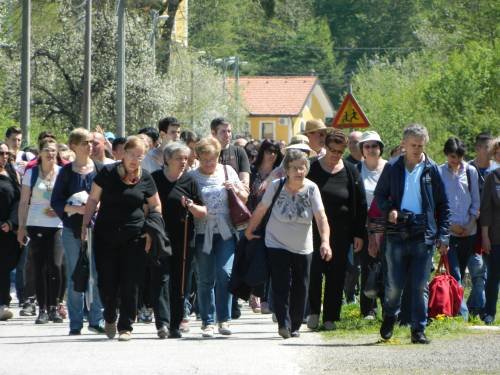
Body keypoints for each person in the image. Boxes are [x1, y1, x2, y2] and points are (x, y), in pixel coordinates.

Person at [82, 136, 162, 342]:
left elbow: (155, 205)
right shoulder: (107, 173)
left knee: (131, 282)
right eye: (132, 154)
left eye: (139, 156)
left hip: (134, 236)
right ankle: (109, 314)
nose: (135, 160)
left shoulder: (146, 178)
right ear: (123, 153)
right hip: (105, 236)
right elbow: (92, 199)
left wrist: (151, 228)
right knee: (107, 281)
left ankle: (126, 325)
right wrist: (84, 225)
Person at [375, 123, 450, 344]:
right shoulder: (392, 167)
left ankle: (418, 330)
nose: (417, 149)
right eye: (413, 145)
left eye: (421, 145)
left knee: (419, 285)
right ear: (404, 145)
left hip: (423, 234)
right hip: (396, 233)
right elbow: (380, 195)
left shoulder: (432, 169)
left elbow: (443, 205)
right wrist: (390, 210)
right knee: (395, 285)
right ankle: (390, 314)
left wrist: (443, 236)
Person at [245, 149, 332, 338]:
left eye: (302, 168)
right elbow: (261, 208)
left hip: (303, 245)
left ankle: (295, 325)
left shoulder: (311, 188)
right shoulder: (276, 186)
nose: (299, 172)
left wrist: (325, 241)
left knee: (301, 285)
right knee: (281, 283)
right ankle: (283, 323)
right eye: (295, 168)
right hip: (276, 242)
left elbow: (321, 217)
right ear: (286, 170)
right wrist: (249, 230)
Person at [306, 130, 367, 330]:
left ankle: (331, 317)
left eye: (340, 152)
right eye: (332, 150)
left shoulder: (351, 171)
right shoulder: (313, 168)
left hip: (342, 232)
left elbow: (360, 203)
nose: (335, 155)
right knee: (314, 272)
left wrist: (359, 233)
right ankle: (313, 311)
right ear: (326, 147)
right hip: (313, 231)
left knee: (337, 274)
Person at [190, 137, 248, 337]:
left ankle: (224, 319)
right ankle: (207, 321)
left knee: (225, 274)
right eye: (205, 159)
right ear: (198, 157)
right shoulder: (191, 176)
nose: (209, 163)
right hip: (201, 233)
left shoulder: (227, 171)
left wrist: (235, 189)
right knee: (205, 279)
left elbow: (244, 197)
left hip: (226, 231)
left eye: (212, 159)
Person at [50, 128, 104, 336]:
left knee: (96, 274)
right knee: (75, 275)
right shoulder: (65, 172)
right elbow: (56, 202)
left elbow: (107, 197)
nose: (89, 146)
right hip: (72, 230)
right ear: (73, 145)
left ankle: (96, 318)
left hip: (97, 229)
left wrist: (96, 207)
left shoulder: (99, 170)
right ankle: (75, 322)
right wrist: (78, 209)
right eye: (84, 143)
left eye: (91, 142)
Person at [152, 142, 207, 338]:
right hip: (160, 236)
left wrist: (191, 206)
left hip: (184, 239)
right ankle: (163, 324)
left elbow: (203, 212)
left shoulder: (190, 181)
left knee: (180, 281)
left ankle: (175, 324)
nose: (183, 162)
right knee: (161, 279)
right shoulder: (155, 179)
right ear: (167, 159)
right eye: (179, 158)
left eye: (185, 158)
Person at [17, 138, 65, 324]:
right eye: (46, 150)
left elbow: (69, 197)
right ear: (40, 153)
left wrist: (59, 209)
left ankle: (54, 306)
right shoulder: (32, 173)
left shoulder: (62, 172)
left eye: (53, 150)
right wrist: (21, 227)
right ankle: (43, 309)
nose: (50, 154)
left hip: (57, 225)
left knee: (55, 264)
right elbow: (23, 202)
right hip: (36, 223)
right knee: (39, 266)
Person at [210, 117, 250, 319]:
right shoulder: (206, 152)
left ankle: (233, 303)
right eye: (223, 131)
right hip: (211, 219)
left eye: (229, 131)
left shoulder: (238, 152)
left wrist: (235, 186)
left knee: (232, 265)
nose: (228, 135)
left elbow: (246, 186)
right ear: (213, 133)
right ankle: (209, 310)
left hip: (235, 216)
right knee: (211, 270)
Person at [438, 137, 480, 320]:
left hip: (468, 231)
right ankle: (461, 315)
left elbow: (476, 202)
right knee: (453, 272)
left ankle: (454, 309)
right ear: (447, 154)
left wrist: (469, 225)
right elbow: (437, 205)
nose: (456, 161)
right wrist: (450, 227)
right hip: (448, 233)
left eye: (459, 157)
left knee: (460, 273)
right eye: (453, 156)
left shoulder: (471, 171)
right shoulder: (438, 172)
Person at [247, 139, 283, 313]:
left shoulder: (280, 172)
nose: (272, 154)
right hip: (253, 219)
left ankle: (266, 299)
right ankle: (254, 293)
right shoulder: (252, 171)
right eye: (269, 150)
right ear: (262, 152)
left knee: (271, 259)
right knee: (256, 258)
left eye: (275, 151)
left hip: (274, 220)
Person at [357, 131, 387, 320]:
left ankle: (388, 307)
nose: (371, 149)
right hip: (363, 225)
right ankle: (368, 309)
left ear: (380, 148)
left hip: (386, 226)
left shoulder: (389, 168)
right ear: (362, 150)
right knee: (367, 266)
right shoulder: (355, 168)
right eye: (367, 146)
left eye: (374, 145)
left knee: (387, 266)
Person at [0, 142, 21, 321]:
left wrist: (12, 223)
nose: (4, 157)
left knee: (5, 267)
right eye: (1, 153)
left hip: (8, 229)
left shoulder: (11, 172)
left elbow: (18, 200)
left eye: (7, 154)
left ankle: (3, 303)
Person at [480, 166, 500, 325]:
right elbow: (485, 209)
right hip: (495, 236)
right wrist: (485, 236)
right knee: (493, 276)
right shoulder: (491, 177)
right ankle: (489, 312)